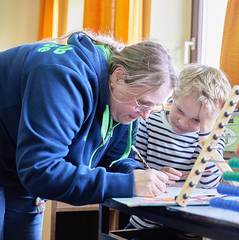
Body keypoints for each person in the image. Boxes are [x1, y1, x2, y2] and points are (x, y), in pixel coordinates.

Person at [0, 29, 178, 240]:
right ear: (119, 77)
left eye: (154, 107)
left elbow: (113, 160)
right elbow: (41, 170)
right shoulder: (64, 76)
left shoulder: (125, 104)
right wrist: (127, 185)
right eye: (143, 104)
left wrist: (135, 174)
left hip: (17, 172)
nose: (146, 116)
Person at [126, 63, 232, 239]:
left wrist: (206, 131)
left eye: (197, 119)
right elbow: (132, 167)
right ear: (173, 95)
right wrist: (152, 173)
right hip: (144, 226)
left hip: (187, 230)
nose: (183, 123)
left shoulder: (214, 138)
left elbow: (209, 182)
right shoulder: (148, 123)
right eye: (180, 110)